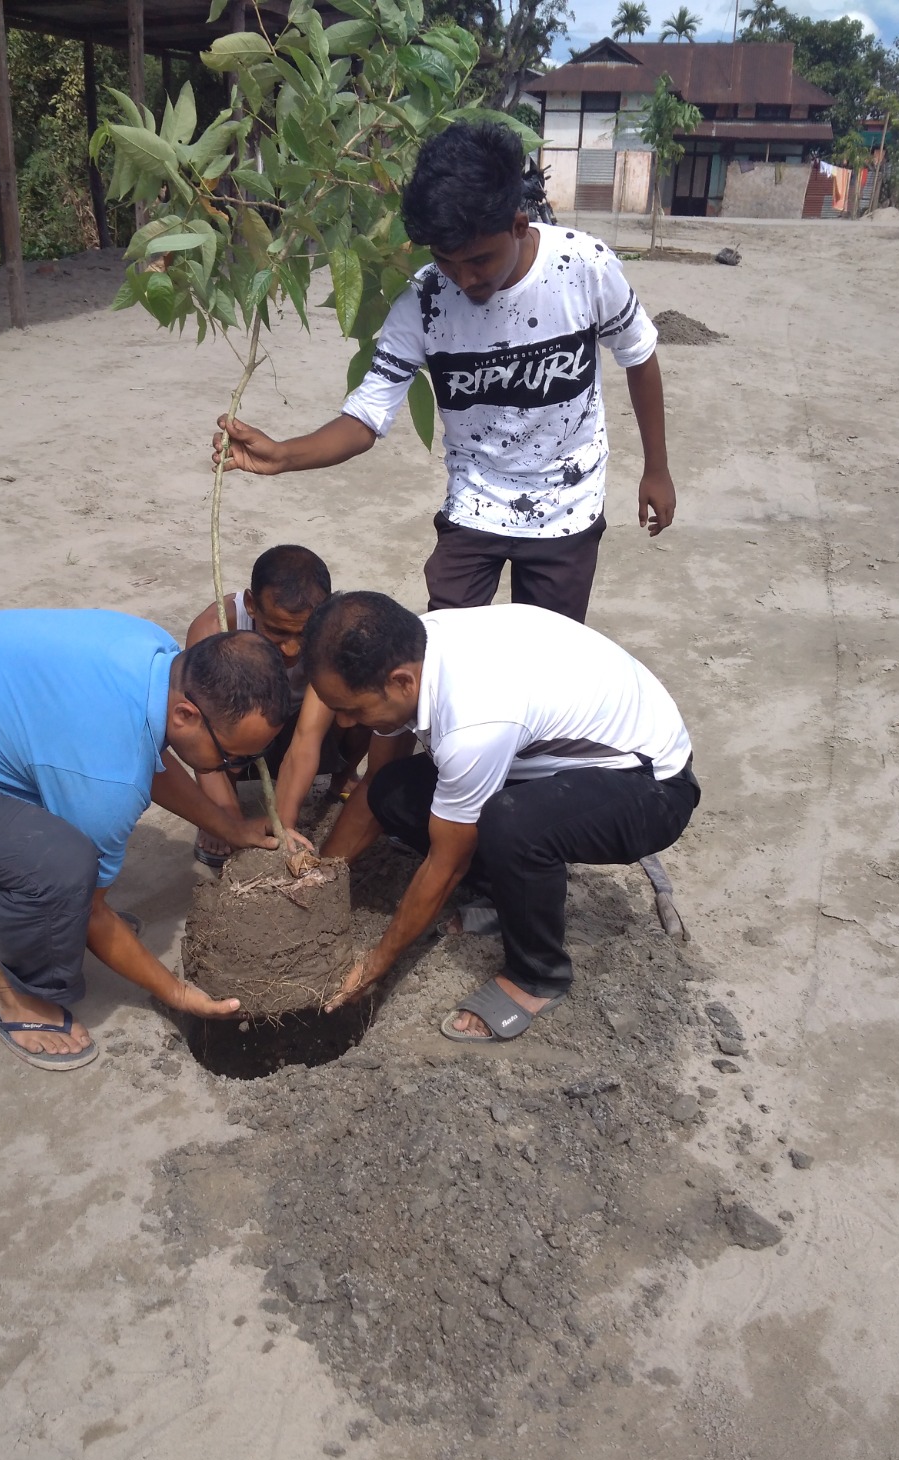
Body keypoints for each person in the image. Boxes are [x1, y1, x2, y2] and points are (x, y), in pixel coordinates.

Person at [213, 118, 674, 625]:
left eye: (479, 260)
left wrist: (656, 468)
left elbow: (639, 355)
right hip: (474, 501)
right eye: (447, 262)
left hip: (569, 504)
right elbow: (366, 418)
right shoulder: (426, 300)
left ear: (518, 226)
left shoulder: (584, 268)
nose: (465, 279)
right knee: (446, 641)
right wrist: (283, 455)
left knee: (546, 651)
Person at [0, 610, 307, 1071]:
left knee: (72, 850)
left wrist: (231, 826)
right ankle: (14, 994)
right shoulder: (107, 771)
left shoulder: (156, 654)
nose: (233, 767)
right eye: (231, 757)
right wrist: (178, 993)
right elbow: (93, 912)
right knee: (59, 865)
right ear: (185, 715)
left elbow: (145, 759)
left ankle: (49, 921)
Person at [301, 592, 699, 1042]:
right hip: (556, 756)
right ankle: (504, 896)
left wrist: (377, 961)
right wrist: (321, 876)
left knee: (513, 825)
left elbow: (446, 863)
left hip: (651, 786)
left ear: (401, 683)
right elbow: (376, 781)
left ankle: (537, 978)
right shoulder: (413, 646)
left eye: (353, 709)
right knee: (394, 793)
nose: (346, 723)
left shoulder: (474, 719)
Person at [185, 544, 366, 865]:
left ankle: (342, 776)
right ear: (251, 605)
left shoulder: (331, 634)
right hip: (240, 733)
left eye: (303, 634)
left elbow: (306, 739)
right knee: (217, 732)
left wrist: (283, 830)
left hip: (301, 721)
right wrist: (231, 826)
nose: (292, 649)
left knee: (364, 701)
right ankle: (222, 806)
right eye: (277, 632)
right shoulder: (214, 630)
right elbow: (201, 738)